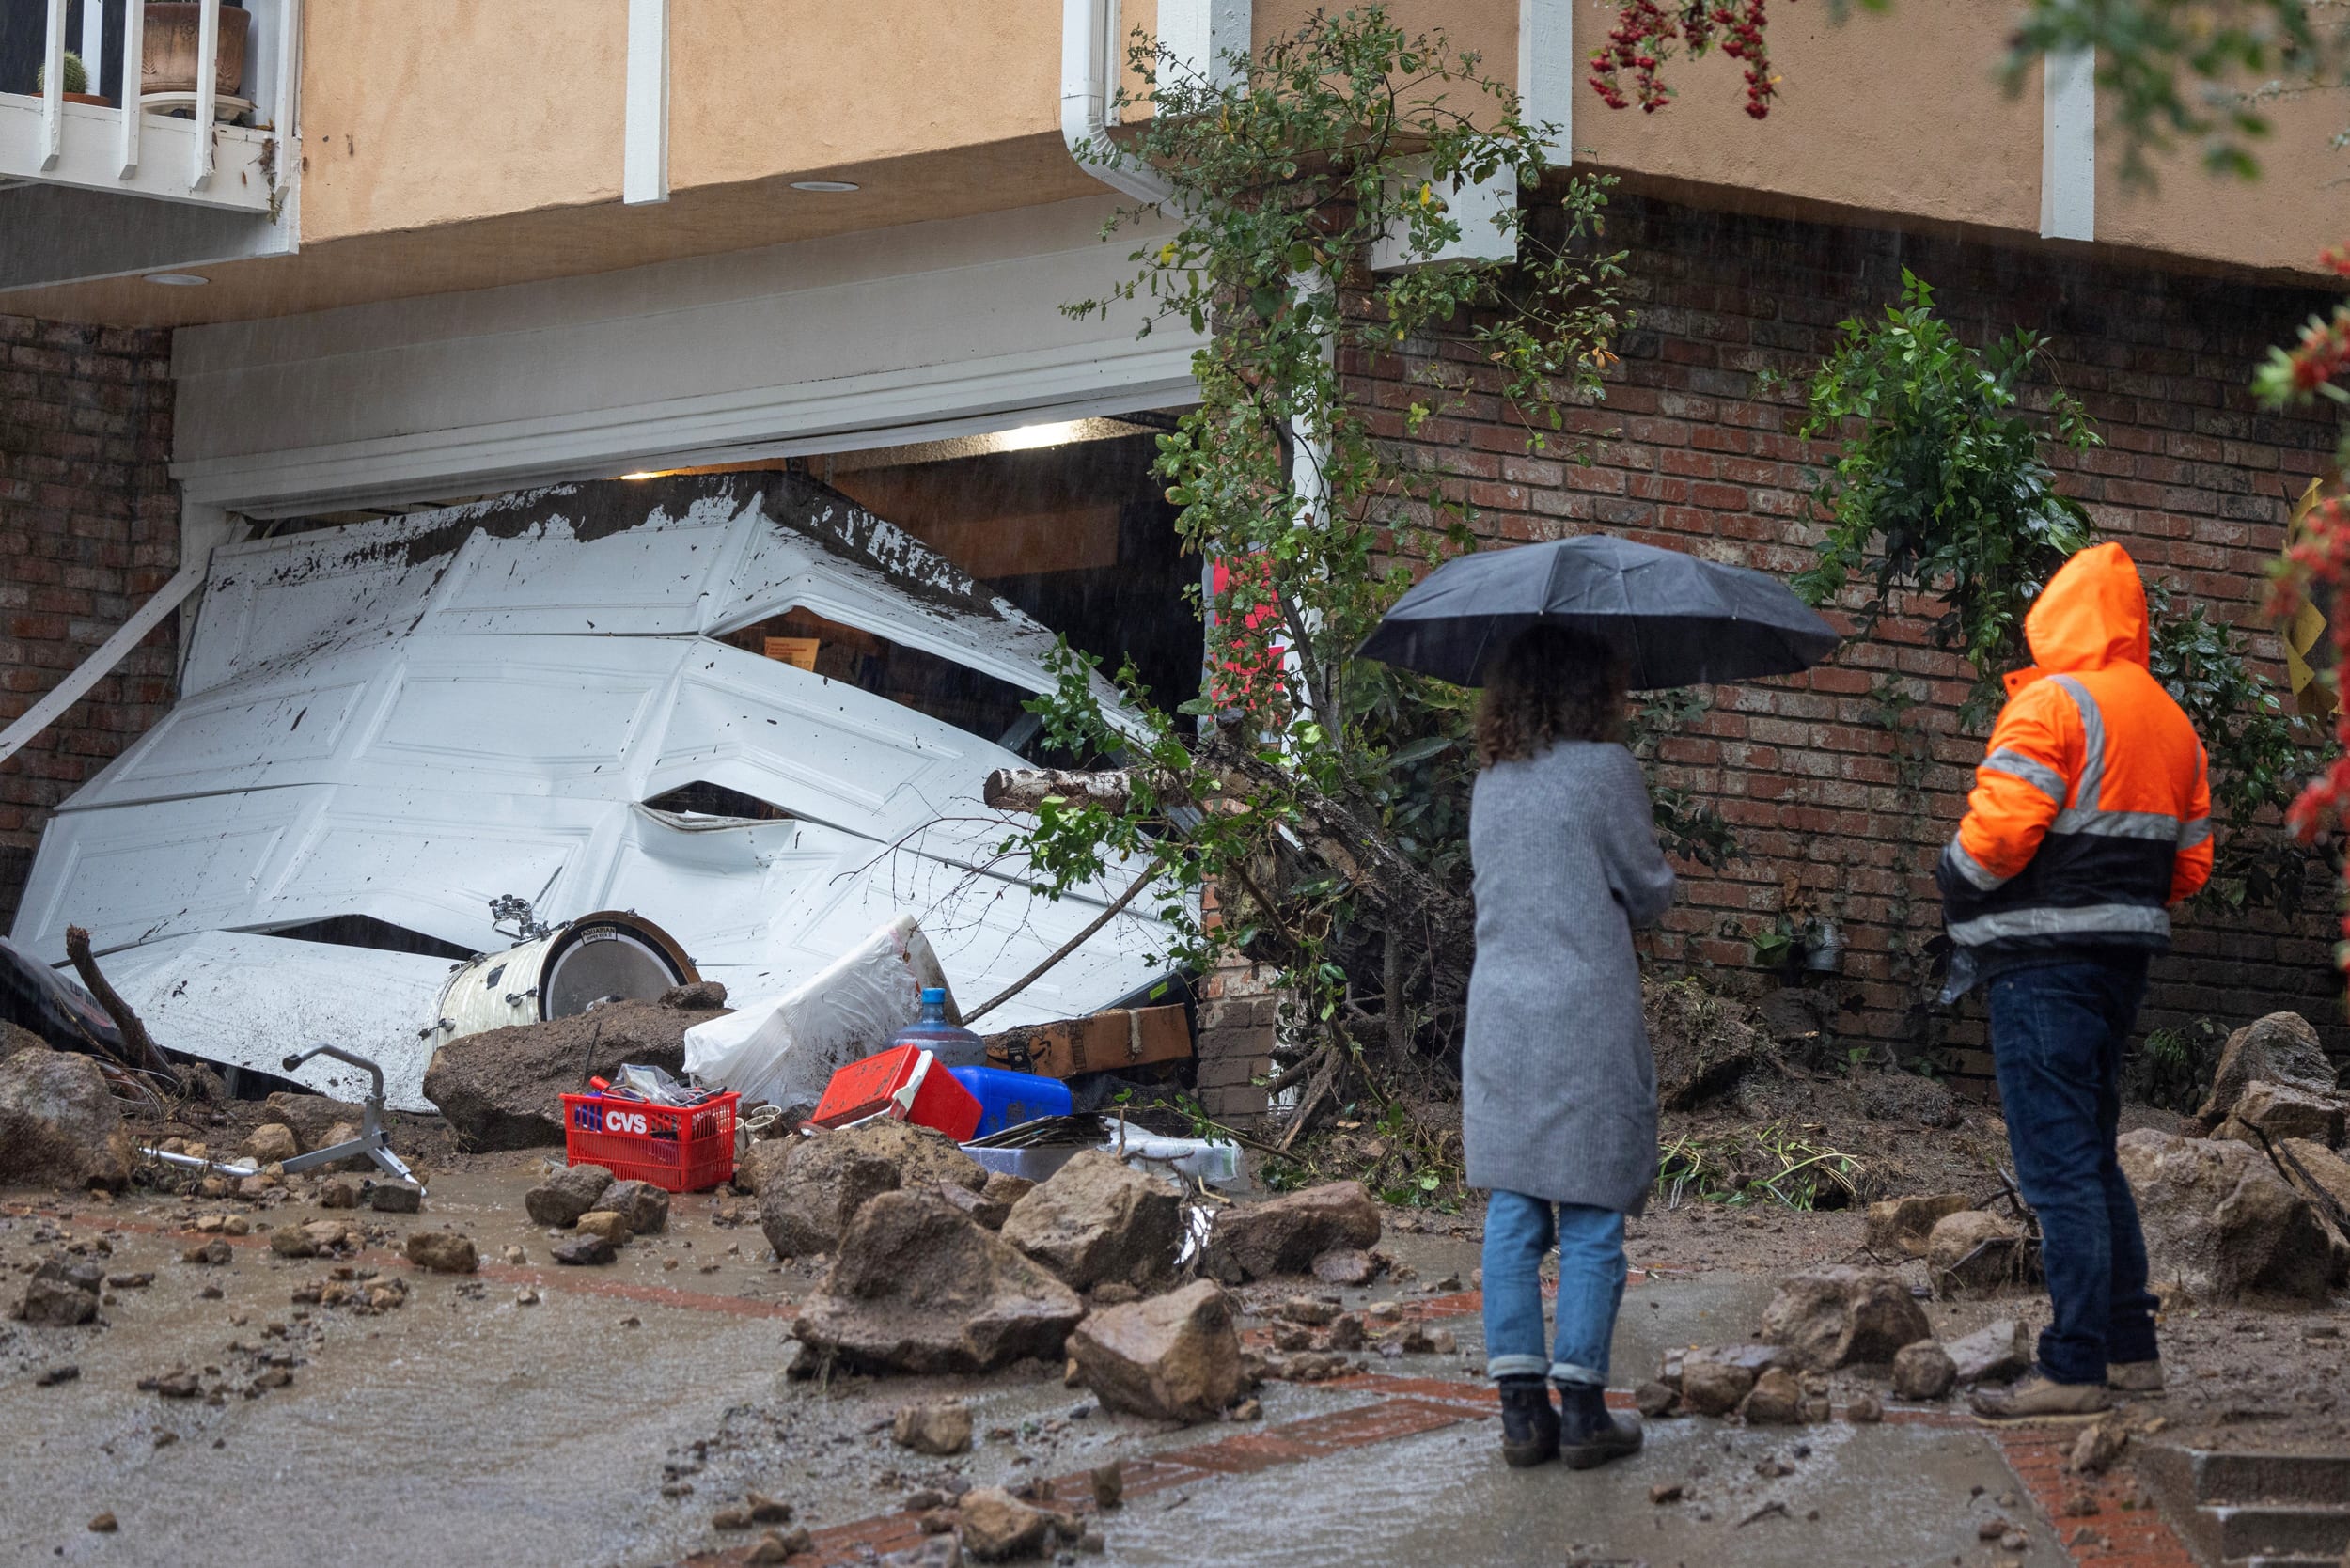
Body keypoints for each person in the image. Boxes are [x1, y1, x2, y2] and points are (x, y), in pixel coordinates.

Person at [1935, 541, 2211, 1421]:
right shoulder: (2171, 723)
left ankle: (2075, 1366)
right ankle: (2131, 1352)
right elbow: (2190, 868)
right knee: (2092, 1158)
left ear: (2058, 610)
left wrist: (1954, 877)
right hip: (2119, 966)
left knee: (2057, 1169)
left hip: (2040, 968)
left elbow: (2000, 834)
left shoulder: (2054, 703)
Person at [1463, 622, 1676, 1468]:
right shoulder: (1605, 771)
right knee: (1592, 1215)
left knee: (1513, 1212)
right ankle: (1583, 1410)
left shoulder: (1491, 782)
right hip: (1583, 1014)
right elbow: (1648, 890)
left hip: (1503, 1019)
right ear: (1594, 690)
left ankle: (1522, 1418)